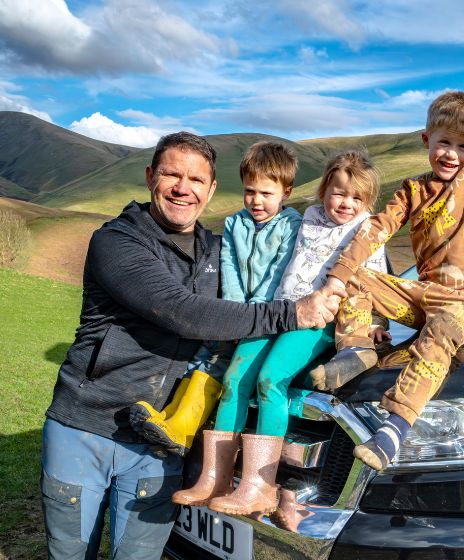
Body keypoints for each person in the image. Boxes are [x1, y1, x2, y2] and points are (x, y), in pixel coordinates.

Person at [40, 132, 342, 560]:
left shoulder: (218, 251)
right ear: (150, 177)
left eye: (197, 180)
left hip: (163, 440)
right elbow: (183, 311)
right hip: (87, 428)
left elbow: (289, 273)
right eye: (171, 174)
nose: (184, 188)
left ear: (212, 189)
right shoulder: (117, 242)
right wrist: (292, 313)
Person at [310, 29, 464, 472]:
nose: (453, 154)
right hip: (423, 294)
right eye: (445, 142)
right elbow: (377, 228)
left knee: (444, 325)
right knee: (353, 273)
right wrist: (337, 277)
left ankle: (395, 427)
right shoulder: (412, 190)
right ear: (427, 139)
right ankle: (357, 349)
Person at [173, 150, 389, 516]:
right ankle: (216, 477)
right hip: (278, 311)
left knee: (271, 380)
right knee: (234, 378)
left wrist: (377, 325)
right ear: (324, 190)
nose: (345, 203)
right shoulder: (309, 217)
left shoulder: (367, 231)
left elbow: (378, 279)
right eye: (339, 193)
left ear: (367, 202)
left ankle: (260, 485)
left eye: (357, 198)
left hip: (319, 319)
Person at [128, 141, 303, 457]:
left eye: (266, 193)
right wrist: (234, 310)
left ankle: (184, 427)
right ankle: (172, 419)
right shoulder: (235, 223)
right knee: (206, 352)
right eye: (250, 191)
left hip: (268, 313)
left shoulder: (291, 226)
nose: (256, 200)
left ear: (286, 193)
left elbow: (281, 271)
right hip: (237, 313)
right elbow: (230, 265)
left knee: (228, 368)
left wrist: (255, 315)